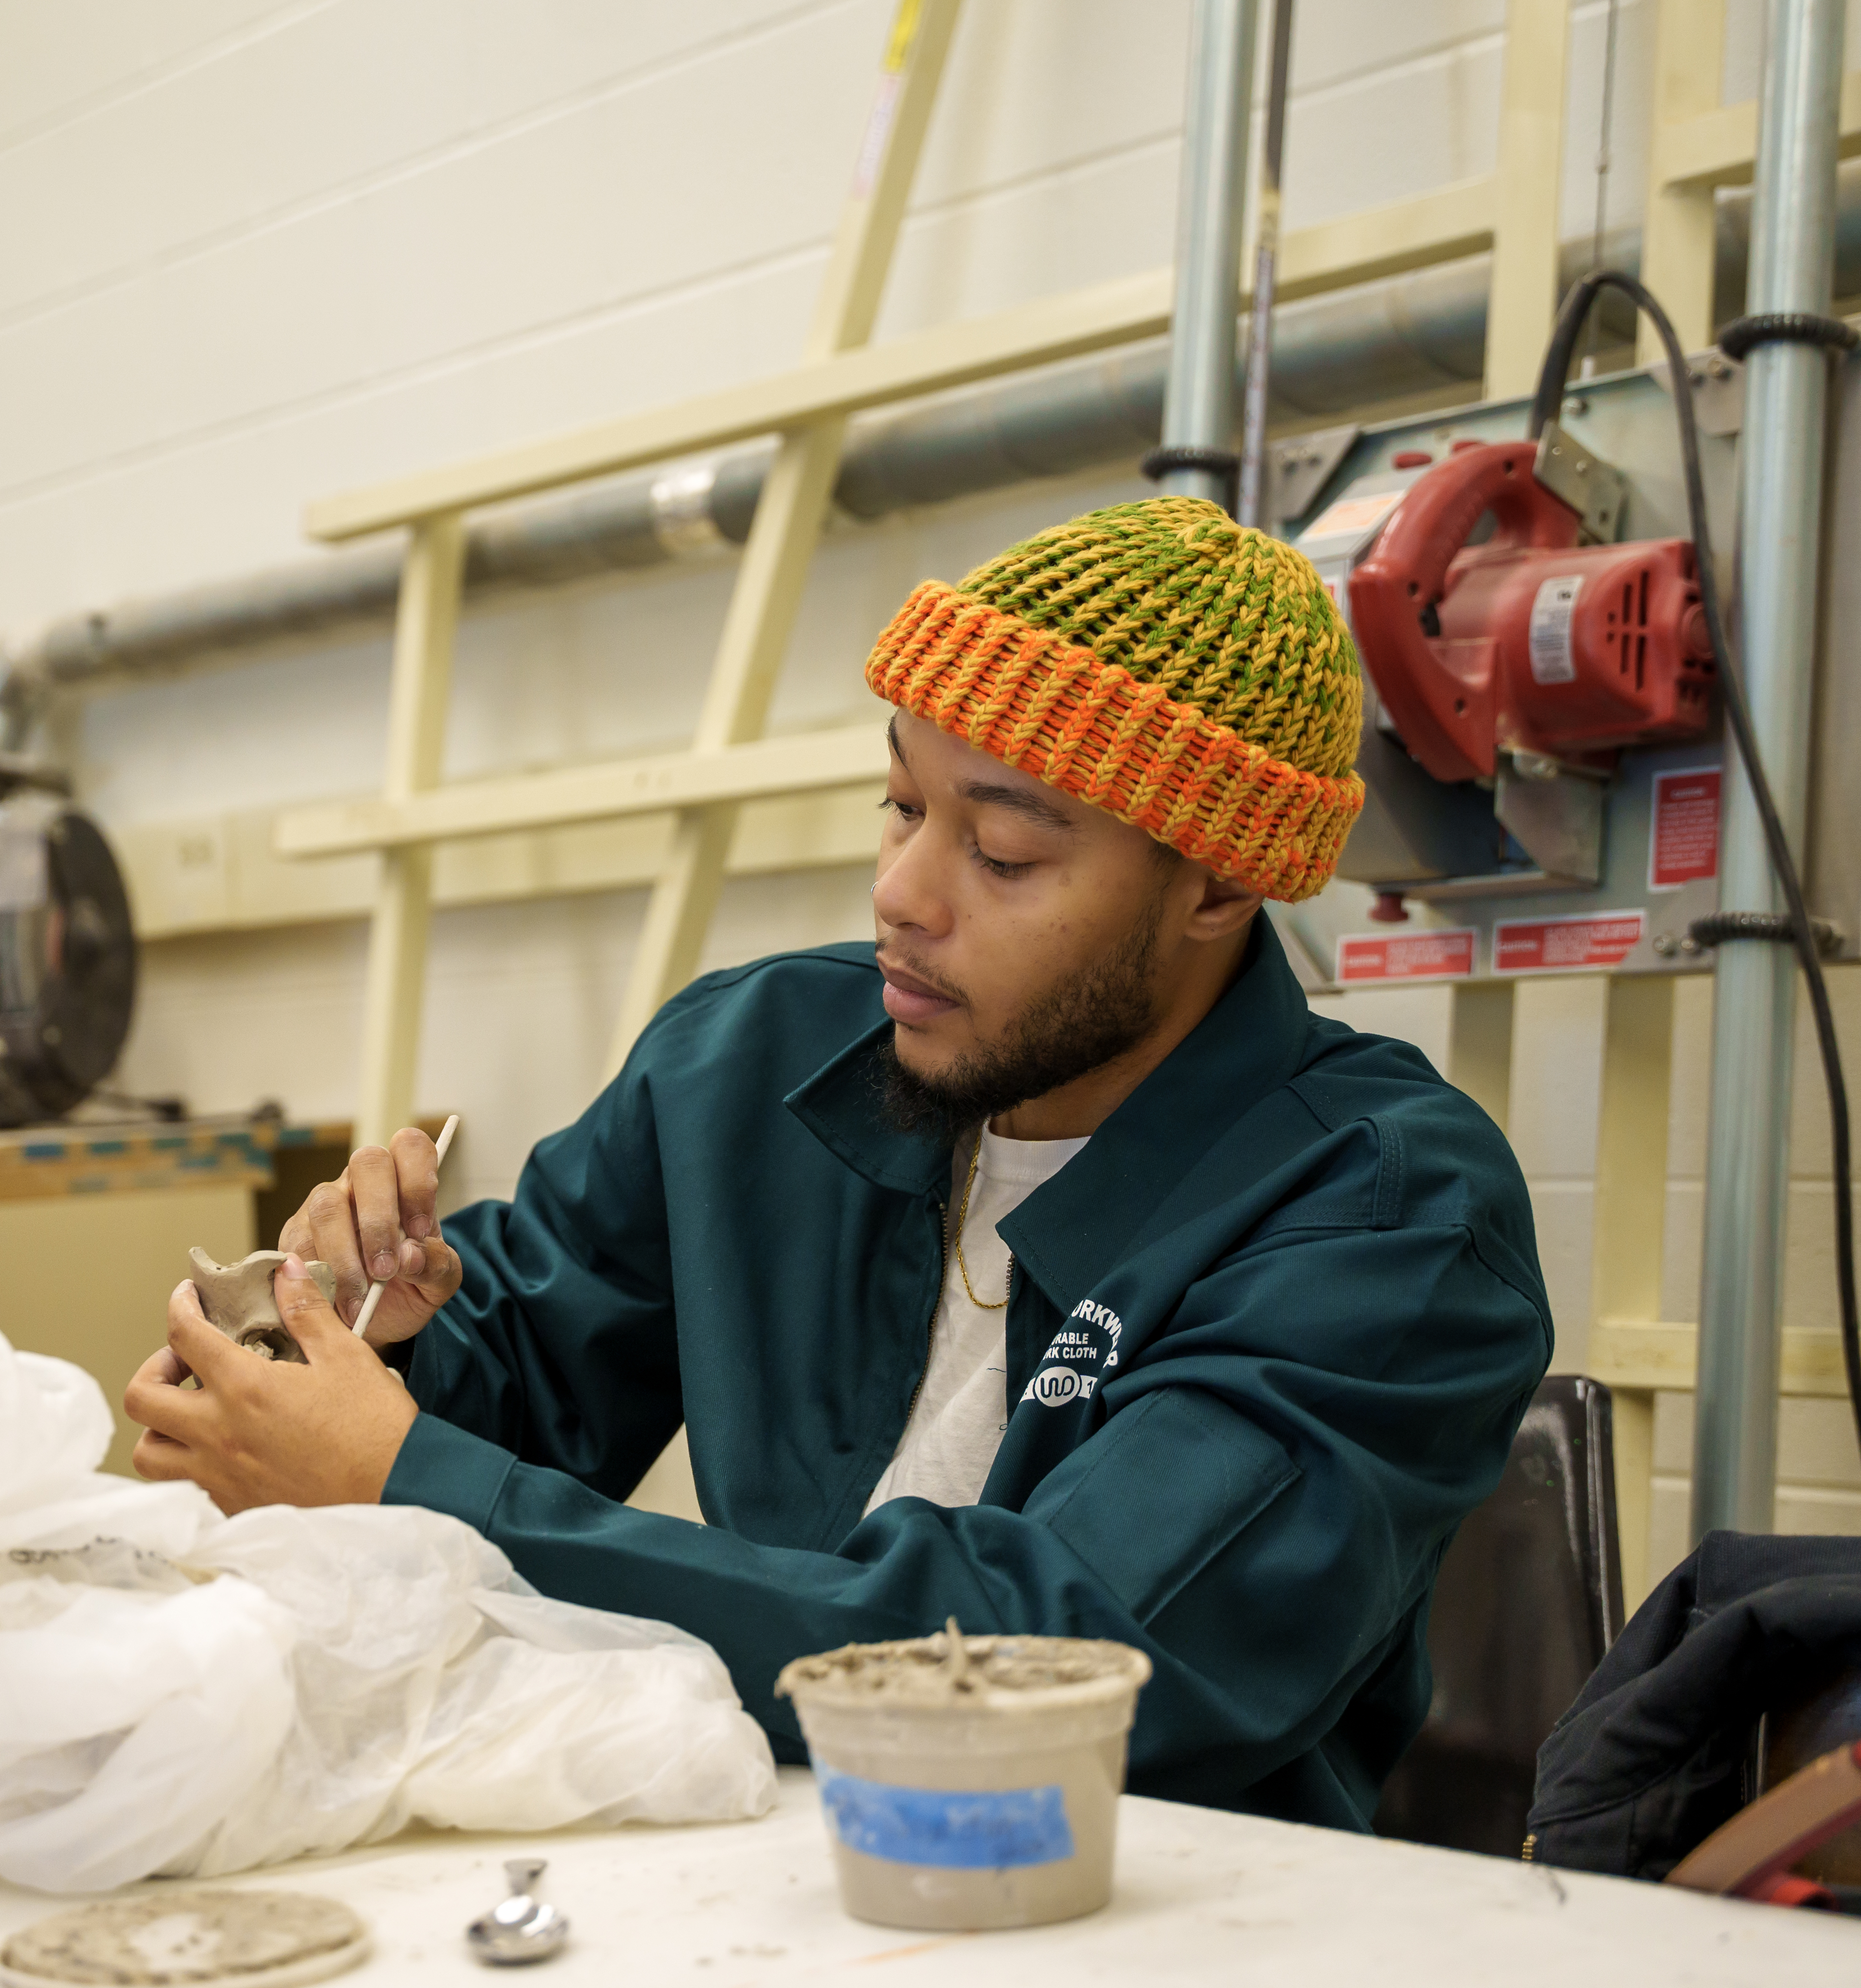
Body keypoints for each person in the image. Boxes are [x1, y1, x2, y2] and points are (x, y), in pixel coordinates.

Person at [124, 494, 1552, 1828]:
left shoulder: (1385, 1211)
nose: (901, 896)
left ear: (1220, 883)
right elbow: (508, 1402)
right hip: (779, 1869)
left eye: (999, 852)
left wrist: (402, 1478)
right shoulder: (747, 1067)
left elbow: (1064, 1656)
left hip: (1153, 1942)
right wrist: (336, 1340)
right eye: (901, 806)